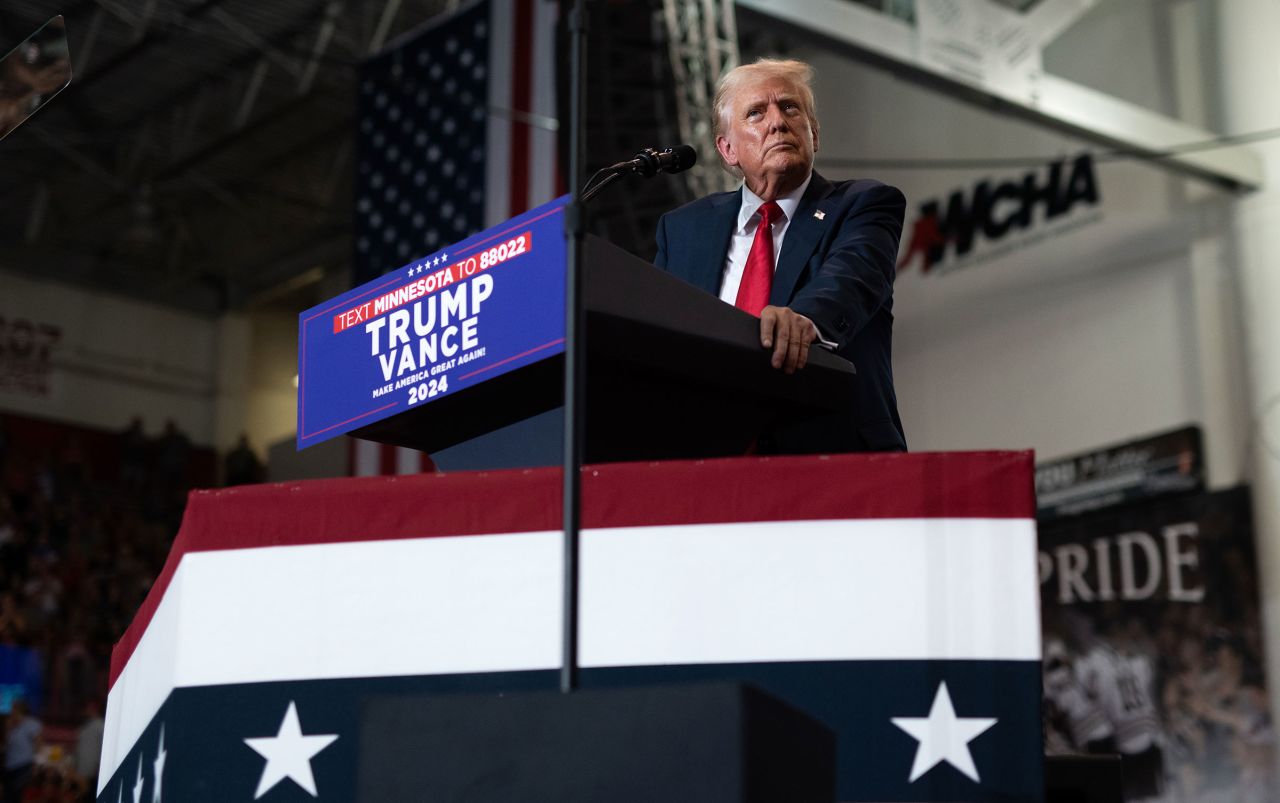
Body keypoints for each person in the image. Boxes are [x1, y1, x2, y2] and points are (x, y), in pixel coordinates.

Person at [655, 58, 906, 452]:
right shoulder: (683, 230)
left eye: (790, 107)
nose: (777, 121)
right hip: (709, 463)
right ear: (728, 149)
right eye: (756, 112)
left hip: (833, 455)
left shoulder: (864, 204)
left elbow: (850, 278)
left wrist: (805, 318)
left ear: (814, 133)